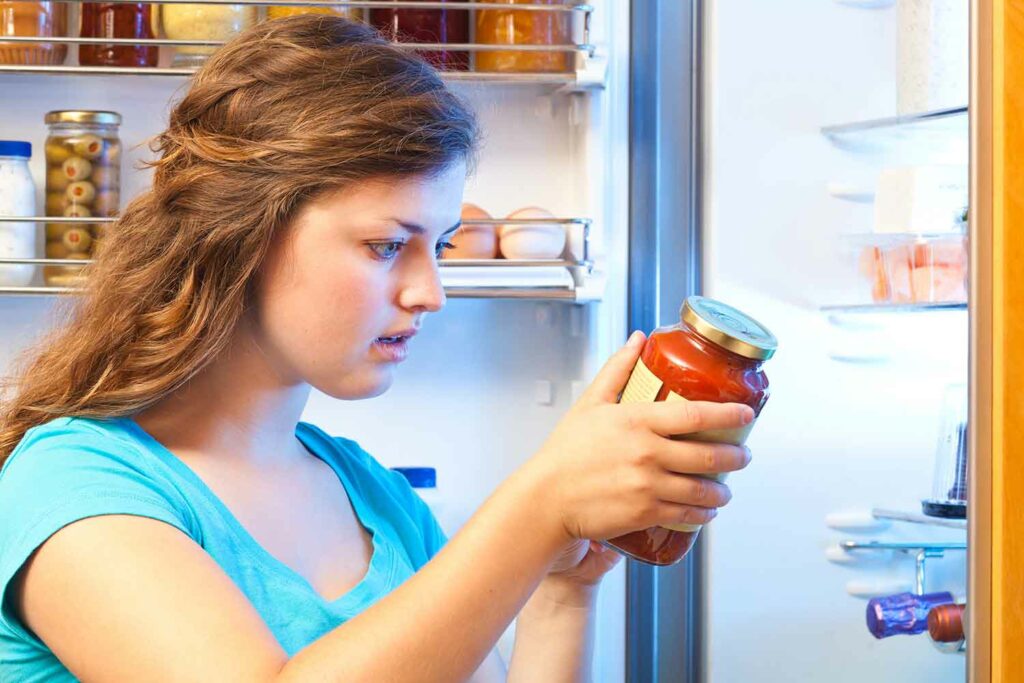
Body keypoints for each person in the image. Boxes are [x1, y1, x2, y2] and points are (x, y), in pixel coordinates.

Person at [0, 16, 752, 682]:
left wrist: (563, 586)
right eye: (388, 244)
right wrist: (539, 504)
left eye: (442, 246)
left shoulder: (374, 498)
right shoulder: (69, 484)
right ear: (241, 236)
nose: (431, 293)